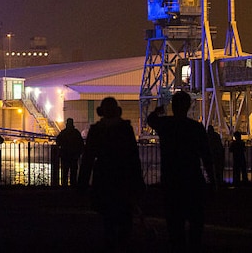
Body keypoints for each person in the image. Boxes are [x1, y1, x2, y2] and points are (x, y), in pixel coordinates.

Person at [147, 91, 213, 252]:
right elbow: (206, 155)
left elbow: (151, 120)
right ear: (189, 106)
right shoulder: (195, 128)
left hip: (171, 181)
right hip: (192, 179)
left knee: (174, 221)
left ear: (173, 106)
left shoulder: (166, 125)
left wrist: (157, 111)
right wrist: (213, 180)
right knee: (196, 221)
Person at [79, 97, 144, 251]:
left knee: (108, 218)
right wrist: (138, 181)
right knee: (125, 215)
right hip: (123, 177)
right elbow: (134, 157)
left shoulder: (96, 130)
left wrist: (82, 182)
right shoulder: (125, 129)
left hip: (103, 177)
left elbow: (88, 158)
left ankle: (111, 243)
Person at [56, 117, 84, 187]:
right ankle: (73, 187)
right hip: (74, 156)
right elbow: (81, 144)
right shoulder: (76, 133)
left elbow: (58, 142)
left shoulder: (63, 133)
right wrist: (79, 153)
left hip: (65, 156)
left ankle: (64, 186)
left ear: (66, 124)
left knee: (65, 172)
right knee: (73, 172)